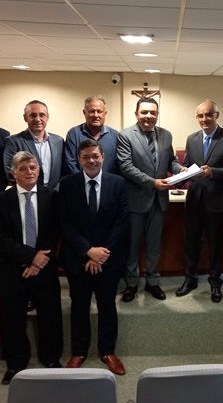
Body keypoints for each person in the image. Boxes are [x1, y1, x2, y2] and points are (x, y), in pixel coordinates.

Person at [0, 151, 64, 384]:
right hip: (13, 267)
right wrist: (31, 258)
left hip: (45, 266)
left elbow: (56, 231)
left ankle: (51, 359)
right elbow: (0, 238)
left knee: (50, 315)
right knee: (12, 318)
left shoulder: (52, 197)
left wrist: (40, 261)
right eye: (23, 169)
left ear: (39, 170)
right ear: (13, 173)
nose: (29, 172)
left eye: (33, 168)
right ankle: (16, 364)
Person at [59, 139, 129, 375]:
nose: (91, 161)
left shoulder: (117, 183)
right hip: (78, 258)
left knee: (107, 306)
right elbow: (64, 221)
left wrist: (101, 253)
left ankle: (108, 351)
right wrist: (88, 251)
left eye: (95, 156)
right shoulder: (67, 184)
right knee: (79, 306)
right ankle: (79, 351)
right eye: (86, 157)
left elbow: (122, 220)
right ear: (79, 159)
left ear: (103, 157)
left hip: (109, 258)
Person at [117, 97, 184, 302]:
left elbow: (170, 161)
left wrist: (179, 169)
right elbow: (126, 167)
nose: (148, 116)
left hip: (159, 201)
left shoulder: (166, 135)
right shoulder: (125, 135)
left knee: (154, 245)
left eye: (153, 112)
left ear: (157, 114)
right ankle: (131, 284)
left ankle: (152, 282)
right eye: (144, 112)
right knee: (133, 245)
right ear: (136, 114)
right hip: (136, 200)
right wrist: (153, 183)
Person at [176, 100, 223, 303]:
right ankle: (190, 280)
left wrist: (212, 172)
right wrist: (182, 173)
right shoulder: (192, 138)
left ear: (216, 115)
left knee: (215, 245)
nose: (204, 119)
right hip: (194, 200)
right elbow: (188, 165)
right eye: (200, 116)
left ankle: (215, 283)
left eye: (208, 115)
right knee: (191, 243)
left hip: (216, 201)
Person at [3, 100, 64, 189]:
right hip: (27, 193)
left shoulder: (59, 141)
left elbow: (63, 170)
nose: (38, 119)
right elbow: (10, 172)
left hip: (54, 193)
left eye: (42, 115)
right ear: (25, 118)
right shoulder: (13, 141)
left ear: (47, 117)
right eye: (33, 115)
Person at [64, 94, 119, 175]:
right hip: (79, 182)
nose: (96, 115)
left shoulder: (114, 135)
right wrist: (84, 180)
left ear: (105, 113)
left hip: (108, 182)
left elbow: (117, 164)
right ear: (84, 113)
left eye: (99, 111)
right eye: (92, 111)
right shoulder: (73, 134)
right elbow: (70, 163)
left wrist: (106, 180)